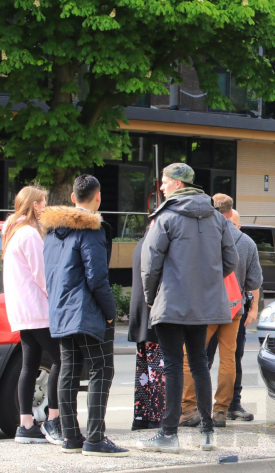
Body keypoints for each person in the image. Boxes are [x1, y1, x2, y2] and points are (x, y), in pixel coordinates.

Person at [137, 163, 238, 454]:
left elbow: (150, 263)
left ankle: (169, 434)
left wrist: (150, 296)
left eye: (165, 182)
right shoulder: (217, 219)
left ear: (178, 185)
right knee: (199, 364)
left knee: (173, 366)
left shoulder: (166, 216)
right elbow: (230, 260)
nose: (162, 187)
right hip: (205, 303)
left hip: (172, 301)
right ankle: (207, 432)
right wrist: (206, 281)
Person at [40, 175, 128, 456]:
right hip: (87, 312)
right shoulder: (91, 230)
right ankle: (95, 439)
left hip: (61, 310)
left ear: (72, 198)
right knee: (102, 370)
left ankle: (70, 438)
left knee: (68, 371)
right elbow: (97, 277)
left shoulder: (52, 232)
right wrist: (111, 312)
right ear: (98, 196)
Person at [2, 186, 63, 445]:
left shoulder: (12, 232)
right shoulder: (29, 234)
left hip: (23, 312)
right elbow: (43, 275)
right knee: (62, 360)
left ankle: (26, 423)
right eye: (44, 202)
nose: (46, 206)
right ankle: (54, 418)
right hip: (38, 309)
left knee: (30, 365)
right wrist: (58, 299)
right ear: (35, 205)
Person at [203, 199, 262, 423]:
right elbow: (254, 280)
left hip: (207, 308)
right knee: (231, 358)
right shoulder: (245, 242)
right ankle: (224, 407)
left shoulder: (203, 237)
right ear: (229, 217)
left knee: (198, 358)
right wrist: (253, 306)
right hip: (234, 308)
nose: (236, 229)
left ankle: (195, 407)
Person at [128, 227, 165, 431]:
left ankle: (141, 415)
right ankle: (157, 416)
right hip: (153, 311)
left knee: (143, 368)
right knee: (157, 368)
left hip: (140, 312)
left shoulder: (140, 244)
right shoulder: (155, 247)